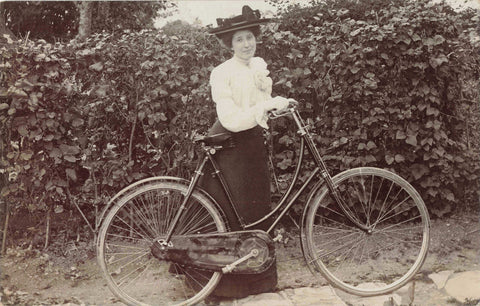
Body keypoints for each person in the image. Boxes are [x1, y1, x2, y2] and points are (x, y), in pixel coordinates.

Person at [197, 5, 290, 298]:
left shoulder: (257, 67)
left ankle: (255, 282)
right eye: (239, 39)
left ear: (256, 38)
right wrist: (264, 106)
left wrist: (279, 103)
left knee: (254, 210)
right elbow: (231, 119)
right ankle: (223, 285)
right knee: (227, 213)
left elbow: (260, 106)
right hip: (228, 146)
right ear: (229, 44)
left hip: (250, 146)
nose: (246, 44)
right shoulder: (222, 72)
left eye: (249, 37)